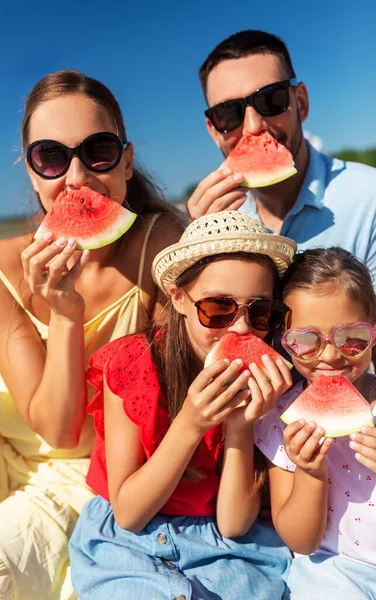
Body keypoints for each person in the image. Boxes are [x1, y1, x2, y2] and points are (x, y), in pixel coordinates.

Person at [0, 69, 184, 600]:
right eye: (50, 157)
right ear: (31, 171)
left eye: (98, 151)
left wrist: (65, 314)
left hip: (83, 472)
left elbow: (65, 434)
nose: (76, 179)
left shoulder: (160, 246)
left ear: (127, 159)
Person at [68, 211, 296, 600]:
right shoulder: (129, 365)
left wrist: (241, 426)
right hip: (129, 541)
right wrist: (191, 423)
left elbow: (234, 524)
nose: (240, 329)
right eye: (218, 308)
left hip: (225, 547)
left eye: (260, 312)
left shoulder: (271, 379)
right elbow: (129, 513)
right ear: (179, 298)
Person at [187, 29, 376, 288]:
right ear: (213, 130)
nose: (253, 127)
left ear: (301, 102)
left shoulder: (369, 202)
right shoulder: (214, 222)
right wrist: (199, 252)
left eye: (270, 99)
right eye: (228, 113)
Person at [255, 247, 376, 599]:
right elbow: (302, 541)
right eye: (305, 341)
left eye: (351, 337)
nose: (330, 355)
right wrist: (309, 471)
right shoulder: (280, 421)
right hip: (334, 571)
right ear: (283, 340)